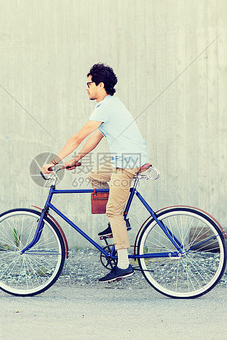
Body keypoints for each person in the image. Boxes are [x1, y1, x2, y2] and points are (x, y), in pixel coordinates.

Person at [41, 63, 148, 282]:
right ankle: (120, 222)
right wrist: (76, 159)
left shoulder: (105, 107)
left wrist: (54, 161)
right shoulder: (110, 105)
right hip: (125, 159)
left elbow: (78, 137)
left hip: (127, 163)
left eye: (89, 83)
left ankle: (124, 264)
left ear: (101, 84)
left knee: (113, 212)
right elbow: (96, 137)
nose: (86, 87)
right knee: (96, 176)